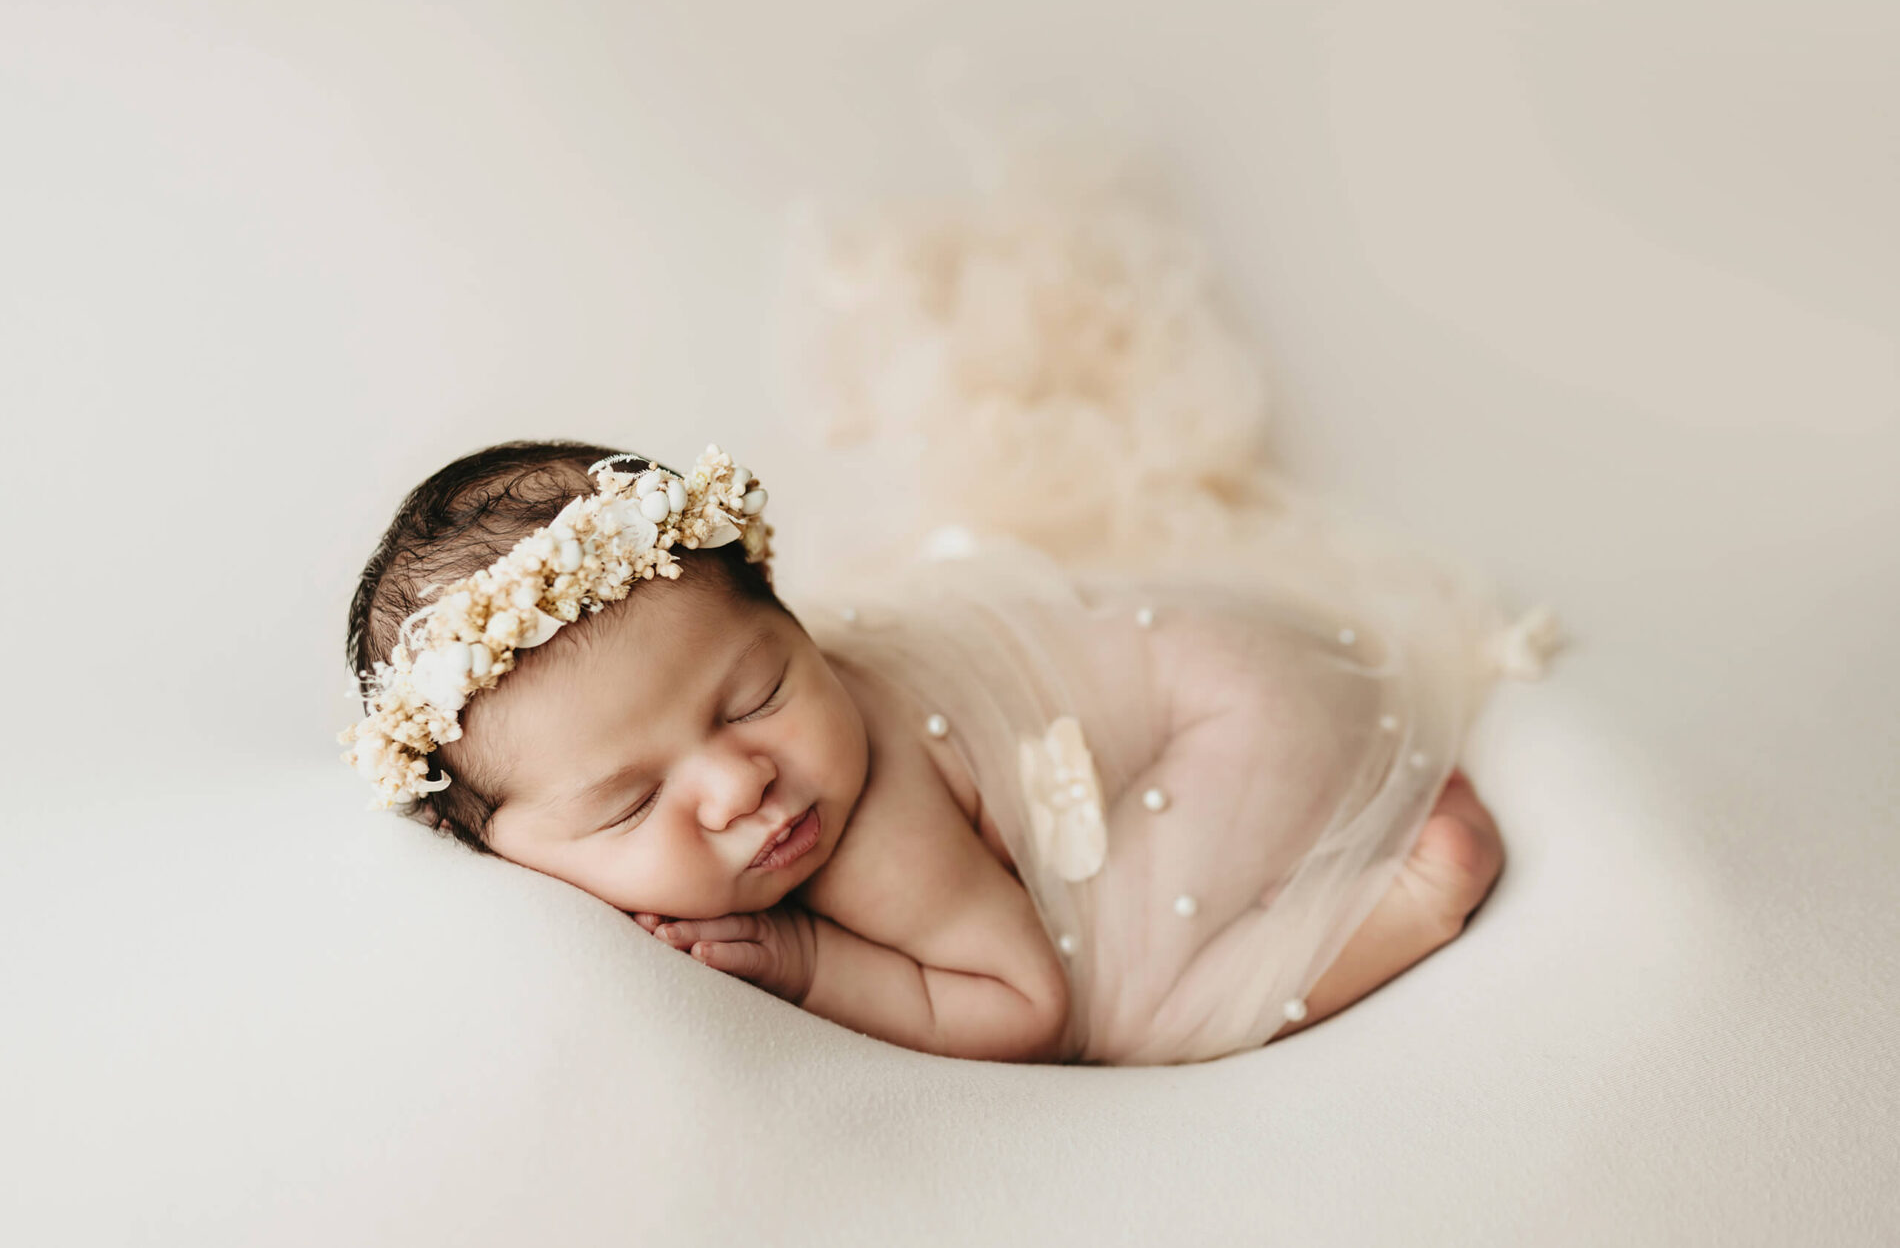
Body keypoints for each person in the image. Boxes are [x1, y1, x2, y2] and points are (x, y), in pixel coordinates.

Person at [340, 440, 1554, 1065]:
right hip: (1203, 661)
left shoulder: (872, 841)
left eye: (758, 694)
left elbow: (1025, 1007)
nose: (737, 781)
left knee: (1127, 1013)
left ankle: (1413, 892)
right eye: (629, 801)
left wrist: (811, 961)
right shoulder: (731, 734)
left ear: (790, 618)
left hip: (1243, 730)